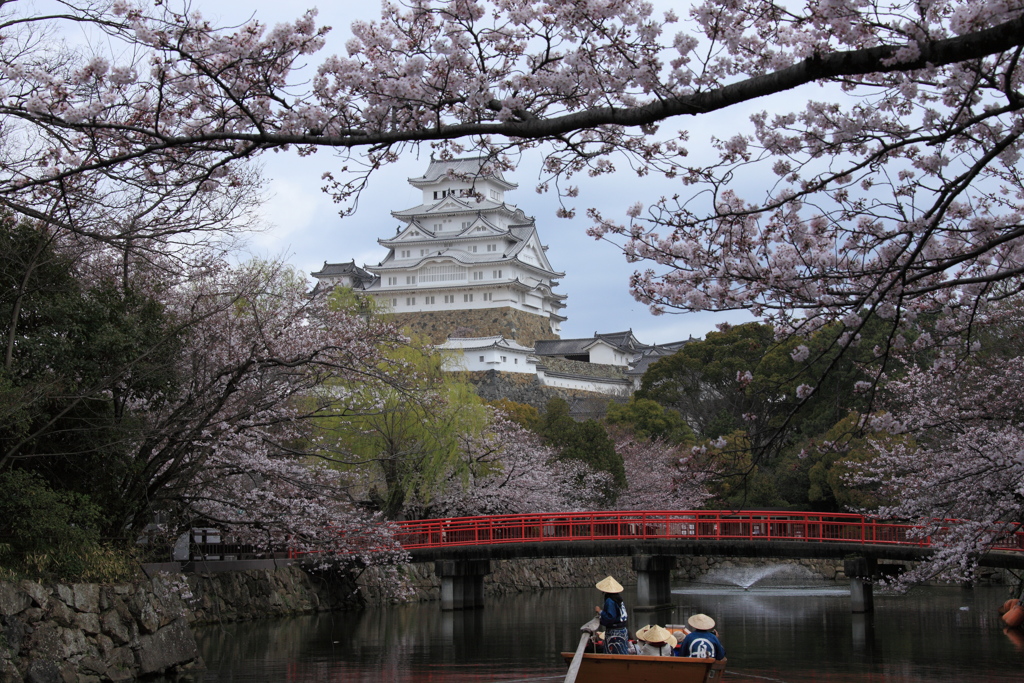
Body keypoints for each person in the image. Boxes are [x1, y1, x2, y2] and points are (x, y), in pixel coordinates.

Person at [594, 576, 629, 654]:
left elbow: (610, 617)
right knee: (622, 651)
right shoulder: (618, 598)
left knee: (613, 652)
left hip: (615, 631)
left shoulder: (610, 600)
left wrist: (600, 612)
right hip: (623, 630)